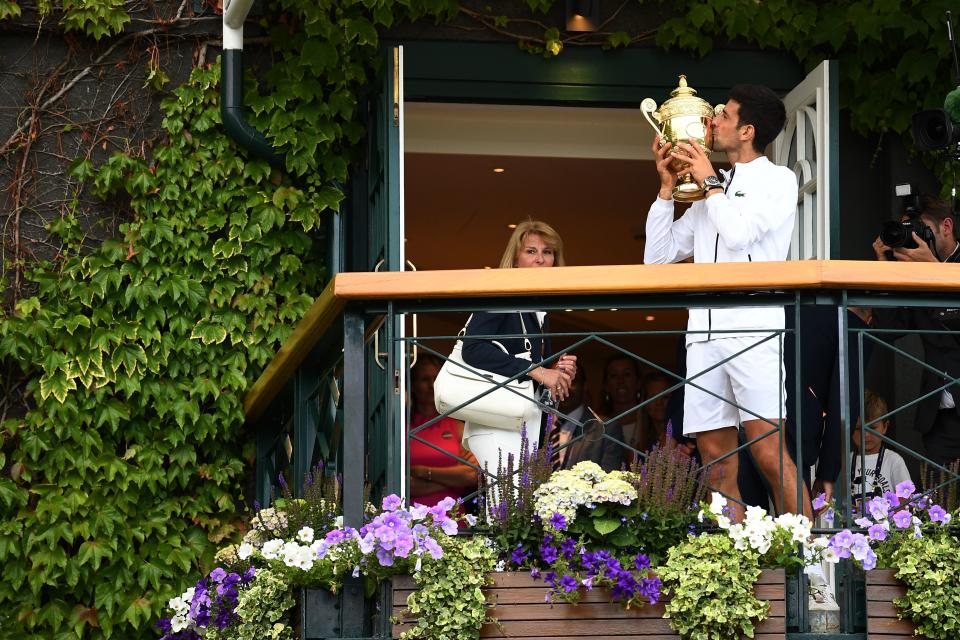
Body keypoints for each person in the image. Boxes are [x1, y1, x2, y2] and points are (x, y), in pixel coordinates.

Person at [643, 84, 810, 521]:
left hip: (754, 328)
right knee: (716, 466)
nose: (712, 122)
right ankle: (732, 578)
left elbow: (737, 234)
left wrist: (708, 182)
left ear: (748, 130)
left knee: (770, 455)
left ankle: (813, 580)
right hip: (702, 333)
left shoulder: (777, 179)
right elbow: (657, 259)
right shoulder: (708, 190)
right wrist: (666, 190)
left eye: (724, 116)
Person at [460, 220, 577, 477]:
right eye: (531, 251)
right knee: (504, 508)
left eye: (547, 252)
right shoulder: (501, 295)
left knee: (515, 510)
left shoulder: (538, 310)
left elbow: (527, 367)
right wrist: (538, 371)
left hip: (522, 422)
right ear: (515, 260)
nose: (540, 259)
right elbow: (473, 349)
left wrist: (555, 372)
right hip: (495, 420)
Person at [872, 194, 960, 468]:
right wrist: (885, 270)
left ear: (947, 227)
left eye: (922, 232)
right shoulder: (915, 276)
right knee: (942, 501)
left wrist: (935, 271)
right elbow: (889, 329)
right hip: (939, 416)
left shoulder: (930, 270)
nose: (916, 241)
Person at [408, 354, 480, 507]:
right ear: (413, 385)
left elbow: (472, 475)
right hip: (410, 520)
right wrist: (455, 481)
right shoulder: (403, 430)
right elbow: (406, 485)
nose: (431, 385)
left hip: (453, 520)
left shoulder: (457, 426)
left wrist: (422, 472)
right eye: (424, 379)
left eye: (435, 379)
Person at [550, 367, 625, 472]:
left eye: (571, 381)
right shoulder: (536, 425)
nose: (563, 386)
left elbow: (610, 478)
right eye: (557, 380)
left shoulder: (606, 428)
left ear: (584, 386)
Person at [850, 389, 912, 499]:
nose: (866, 434)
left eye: (872, 428)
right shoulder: (846, 461)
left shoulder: (894, 461)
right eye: (859, 429)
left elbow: (905, 501)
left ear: (885, 427)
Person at [601, 355, 653, 457]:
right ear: (606, 385)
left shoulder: (651, 423)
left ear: (638, 382)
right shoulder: (598, 425)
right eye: (614, 376)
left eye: (627, 374)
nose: (621, 382)